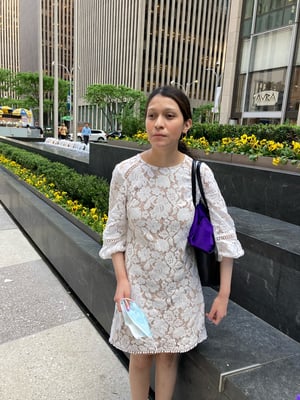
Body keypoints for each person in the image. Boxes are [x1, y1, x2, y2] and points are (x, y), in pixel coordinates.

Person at [99, 85, 244, 400]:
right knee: (140, 355)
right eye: (152, 116)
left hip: (181, 288)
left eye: (169, 116)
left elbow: (224, 233)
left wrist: (224, 294)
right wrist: (122, 279)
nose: (158, 124)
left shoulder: (198, 173)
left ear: (186, 124)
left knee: (167, 355)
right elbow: (115, 232)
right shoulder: (125, 172)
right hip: (137, 286)